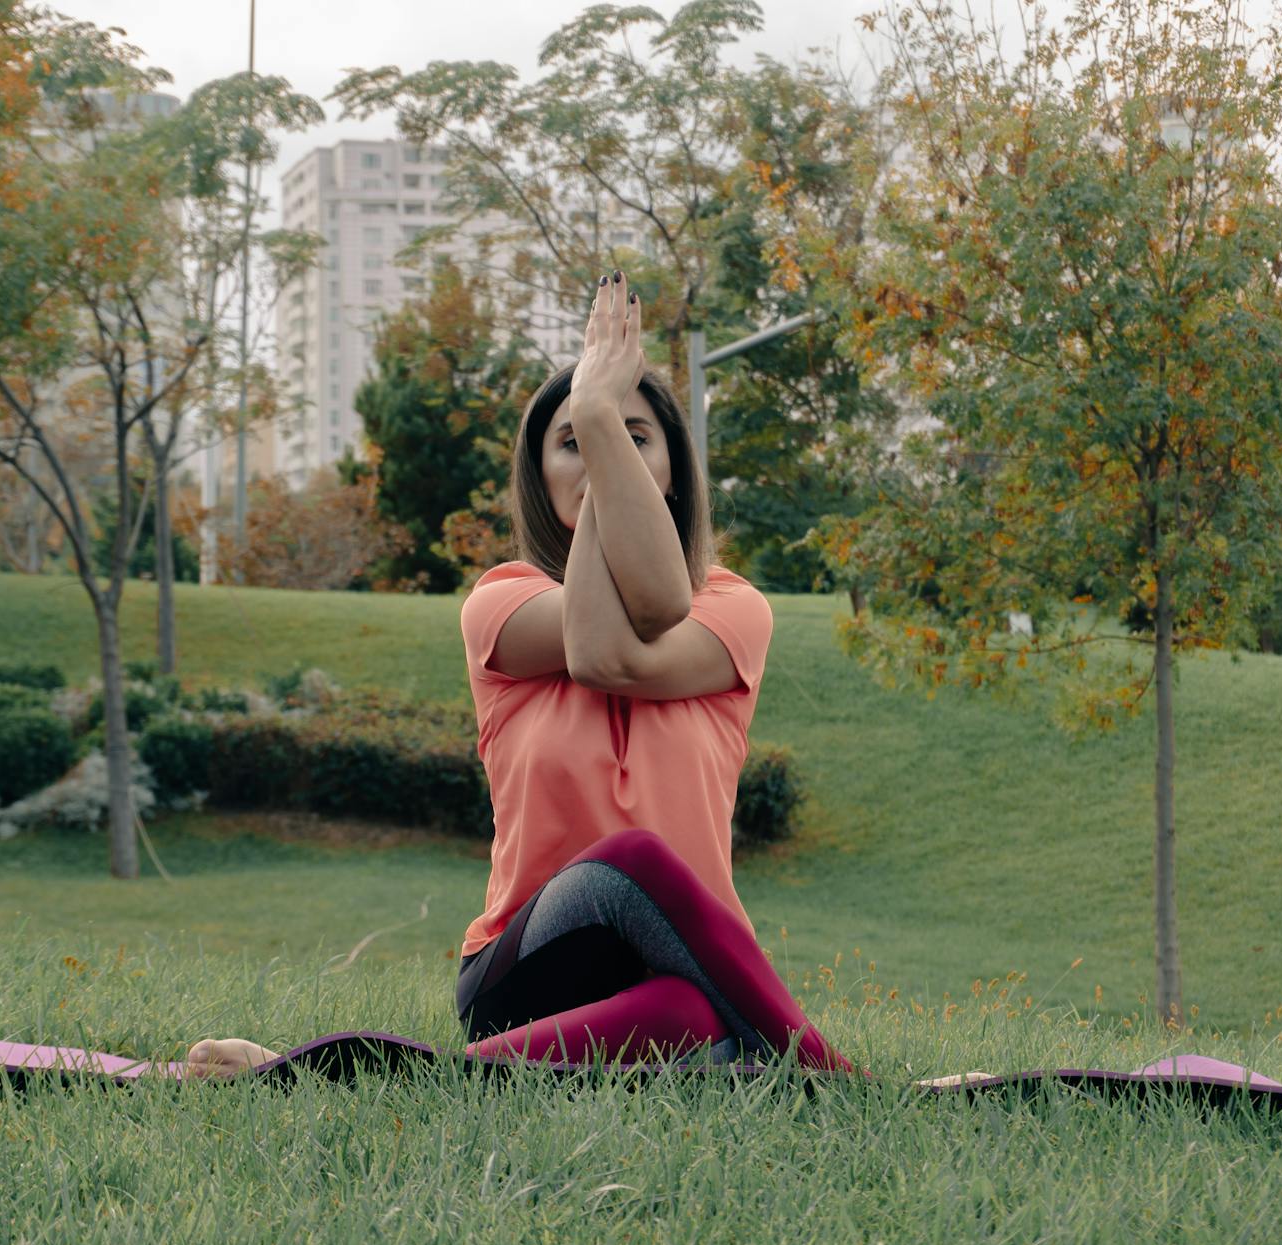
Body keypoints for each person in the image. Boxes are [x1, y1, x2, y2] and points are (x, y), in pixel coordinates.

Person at [188, 269, 861, 1079]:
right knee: (633, 861)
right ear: (539, 476)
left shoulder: (735, 607)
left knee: (683, 1013)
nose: (599, 451)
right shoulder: (501, 603)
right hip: (527, 967)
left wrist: (597, 421)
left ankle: (418, 1075)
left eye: (630, 435)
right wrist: (606, 431)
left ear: (675, 469)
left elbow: (656, 606)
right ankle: (839, 1079)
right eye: (573, 441)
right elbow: (604, 651)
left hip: (679, 969)